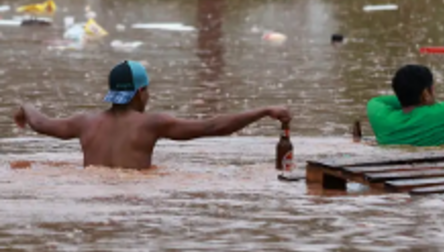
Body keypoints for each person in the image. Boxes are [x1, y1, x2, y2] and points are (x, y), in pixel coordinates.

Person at [13, 60, 291, 170]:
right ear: (139, 92)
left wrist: (25, 107)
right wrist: (264, 110)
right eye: (147, 91)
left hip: (91, 193)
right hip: (135, 199)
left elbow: (41, 123)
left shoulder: (84, 122)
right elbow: (213, 127)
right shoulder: (152, 124)